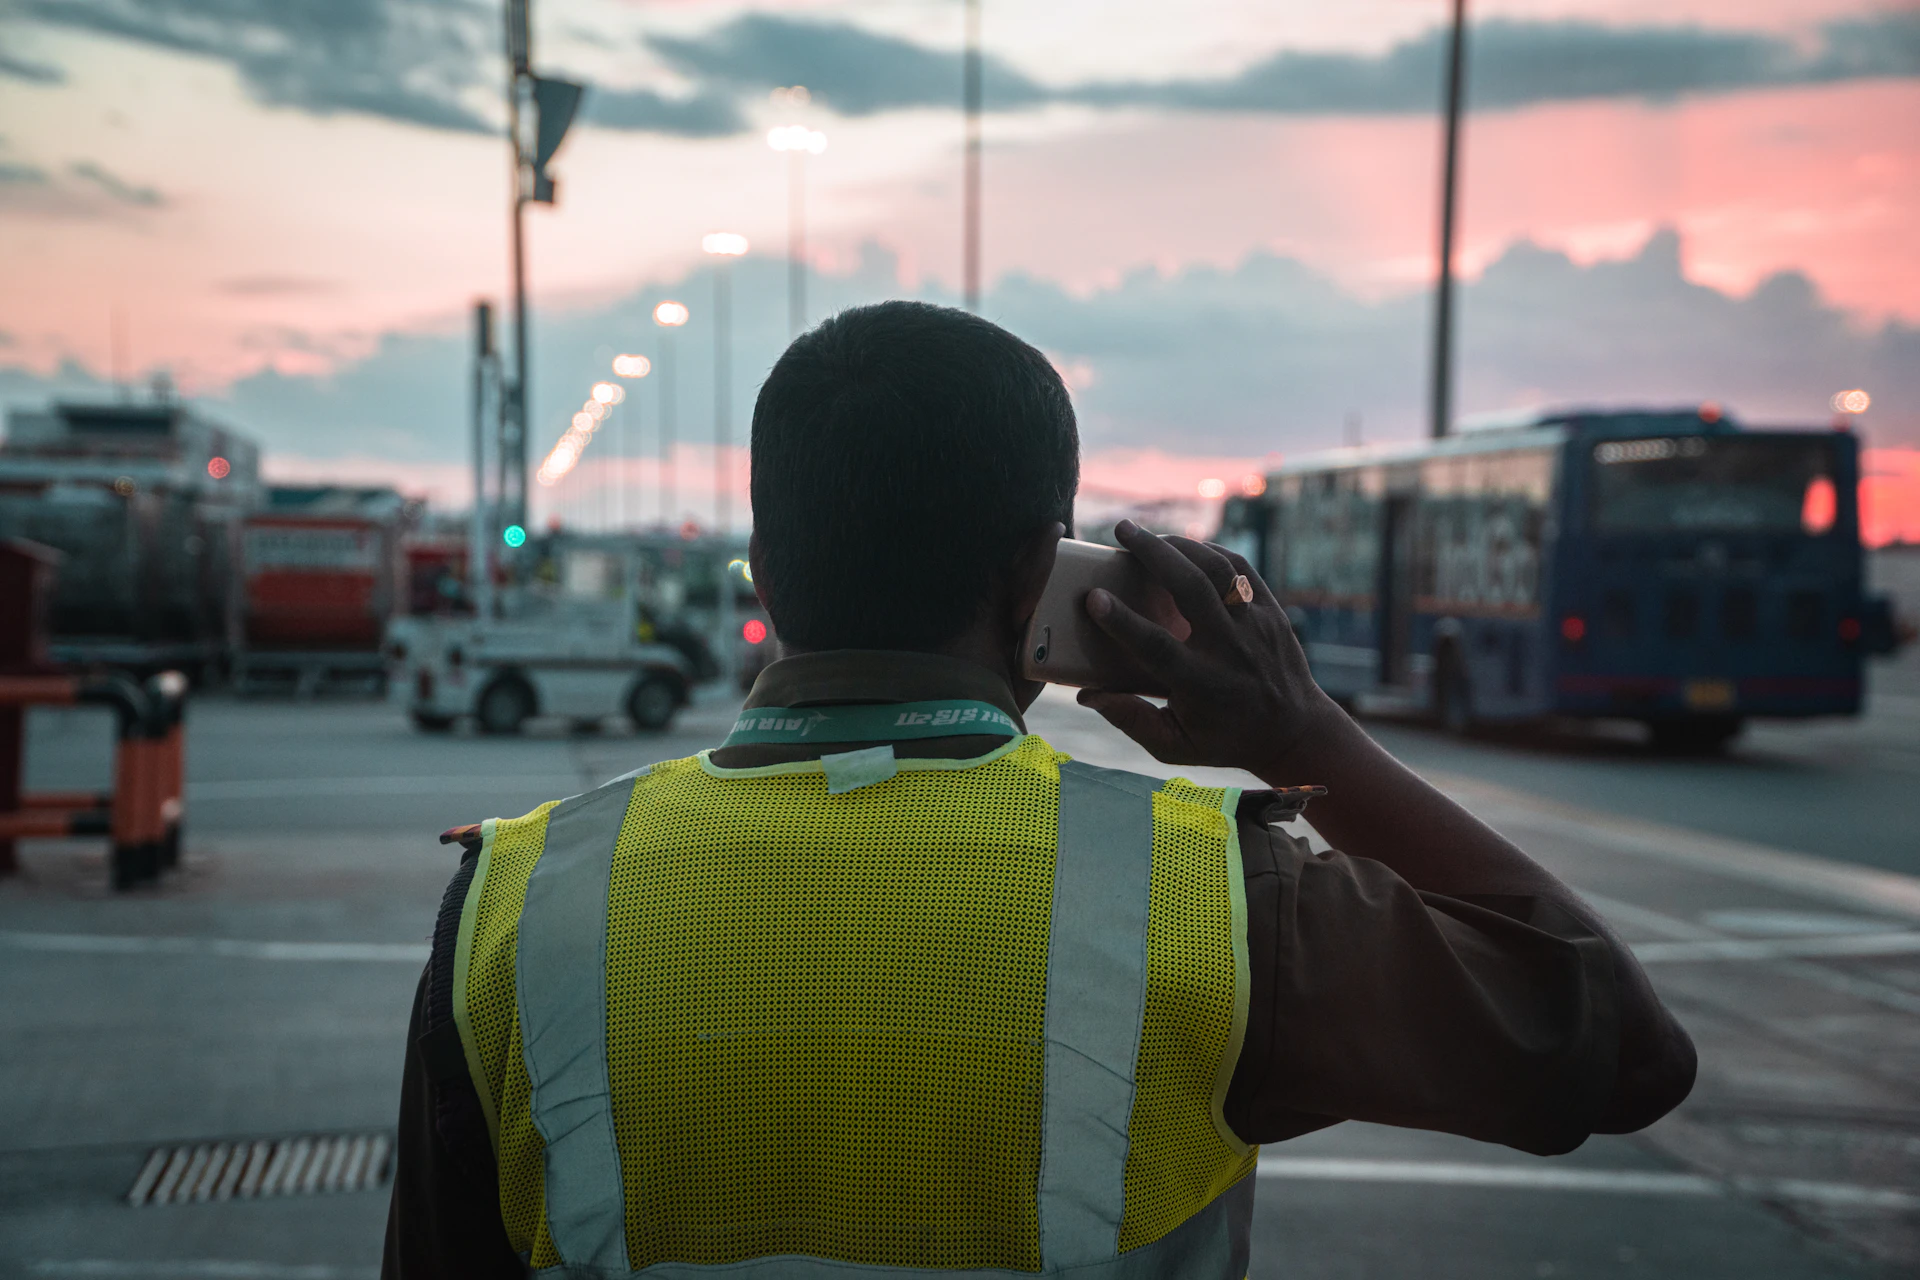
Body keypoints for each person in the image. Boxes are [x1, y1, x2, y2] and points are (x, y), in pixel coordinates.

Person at [383, 301, 1694, 1278]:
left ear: (766, 574)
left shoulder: (512, 908)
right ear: (1041, 582)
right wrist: (1310, 740)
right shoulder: (1215, 901)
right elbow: (1624, 1054)